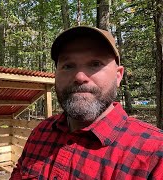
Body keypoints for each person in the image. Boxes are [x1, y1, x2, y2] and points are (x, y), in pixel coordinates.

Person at [10, 26, 163, 180]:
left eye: (95, 64)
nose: (80, 76)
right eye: (68, 66)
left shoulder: (155, 153)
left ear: (118, 76)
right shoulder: (40, 132)